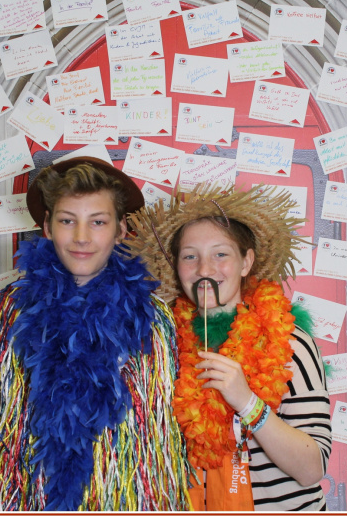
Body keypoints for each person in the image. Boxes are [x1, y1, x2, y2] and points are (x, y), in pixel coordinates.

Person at [0, 157, 192, 511]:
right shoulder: (7, 313)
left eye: (98, 222)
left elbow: (158, 441)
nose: (81, 237)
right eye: (68, 221)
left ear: (121, 230)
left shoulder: (154, 319)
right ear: (47, 227)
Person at [126, 184, 332, 511]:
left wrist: (248, 403)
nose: (205, 269)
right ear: (177, 267)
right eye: (190, 256)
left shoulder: (291, 344)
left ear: (246, 262)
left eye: (220, 254)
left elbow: (311, 470)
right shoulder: (162, 349)